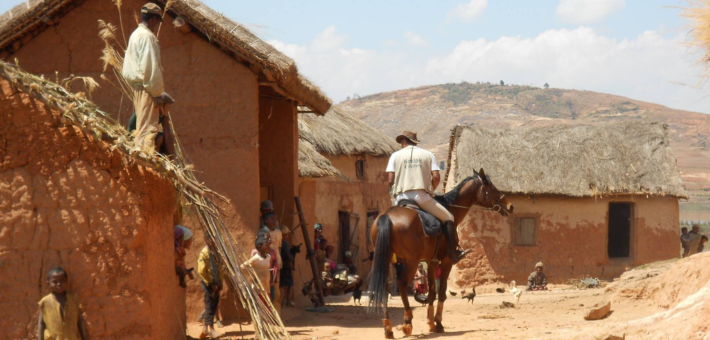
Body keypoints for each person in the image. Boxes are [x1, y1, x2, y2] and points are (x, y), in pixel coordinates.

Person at [386, 130, 467, 263]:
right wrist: (431, 191)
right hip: (421, 197)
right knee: (449, 217)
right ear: (414, 142)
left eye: (401, 141)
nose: (401, 144)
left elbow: (390, 180)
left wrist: (394, 192)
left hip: (401, 198)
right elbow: (436, 177)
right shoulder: (428, 154)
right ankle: (453, 253)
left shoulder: (395, 156)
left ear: (404, 141)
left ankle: (393, 258)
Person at [122, 3, 174, 152]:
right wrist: (157, 93)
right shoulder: (147, 37)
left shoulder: (135, 34)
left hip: (139, 87)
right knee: (147, 131)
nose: (156, 26)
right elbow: (149, 67)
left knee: (142, 126)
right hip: (147, 90)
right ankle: (144, 163)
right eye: (157, 22)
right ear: (153, 20)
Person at [38, 267, 89, 340]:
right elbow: (41, 323)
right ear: (48, 283)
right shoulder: (45, 302)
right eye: (55, 282)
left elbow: (80, 321)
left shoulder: (73, 300)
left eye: (62, 281)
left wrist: (84, 337)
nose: (59, 284)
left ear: (67, 281)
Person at [197, 237, 223, 339]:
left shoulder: (216, 252)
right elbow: (201, 271)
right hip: (209, 283)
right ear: (207, 240)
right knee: (210, 305)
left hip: (216, 282)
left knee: (212, 305)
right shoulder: (204, 253)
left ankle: (204, 329)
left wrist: (220, 281)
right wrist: (210, 283)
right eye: (211, 239)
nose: (214, 241)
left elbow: (220, 267)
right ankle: (211, 329)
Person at [280, 228, 296, 307]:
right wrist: (292, 258)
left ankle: (282, 301)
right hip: (286, 265)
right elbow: (286, 254)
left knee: (281, 284)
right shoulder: (285, 243)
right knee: (290, 283)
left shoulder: (279, 242)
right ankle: (288, 301)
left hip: (280, 265)